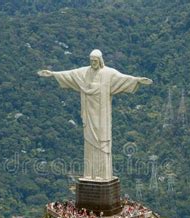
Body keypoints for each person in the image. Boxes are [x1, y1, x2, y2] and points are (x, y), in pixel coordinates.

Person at [38, 49, 152, 180]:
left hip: (102, 117)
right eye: (91, 61)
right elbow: (69, 74)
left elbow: (123, 79)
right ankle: (90, 174)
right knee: (90, 143)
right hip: (89, 115)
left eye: (95, 61)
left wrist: (137, 80)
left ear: (100, 61)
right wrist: (52, 74)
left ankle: (103, 175)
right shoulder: (84, 73)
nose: (93, 63)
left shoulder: (108, 74)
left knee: (102, 143)